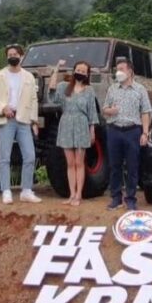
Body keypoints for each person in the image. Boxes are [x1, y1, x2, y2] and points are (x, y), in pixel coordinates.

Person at [0, 44, 41, 204]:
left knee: (29, 155)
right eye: (9, 54)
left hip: (23, 119)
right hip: (6, 119)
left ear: (21, 56)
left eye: (15, 53)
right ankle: (6, 190)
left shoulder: (29, 76)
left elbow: (33, 99)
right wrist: (2, 107)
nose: (12, 56)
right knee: (5, 157)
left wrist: (34, 120)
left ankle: (27, 190)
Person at [46, 59, 99, 206]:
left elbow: (92, 112)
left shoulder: (89, 91)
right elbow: (51, 94)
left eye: (83, 71)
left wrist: (92, 130)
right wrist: (56, 70)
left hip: (82, 125)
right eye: (78, 70)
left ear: (87, 74)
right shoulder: (64, 87)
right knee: (69, 163)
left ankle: (78, 195)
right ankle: (71, 194)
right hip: (66, 124)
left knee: (79, 162)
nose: (80, 73)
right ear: (74, 71)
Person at [101, 56, 151, 210]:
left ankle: (130, 199)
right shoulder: (112, 88)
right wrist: (111, 111)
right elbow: (104, 110)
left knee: (132, 166)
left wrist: (145, 132)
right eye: (117, 70)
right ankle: (116, 198)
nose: (119, 72)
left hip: (132, 131)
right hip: (114, 130)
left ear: (130, 71)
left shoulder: (140, 89)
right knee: (114, 166)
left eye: (122, 69)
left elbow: (145, 112)